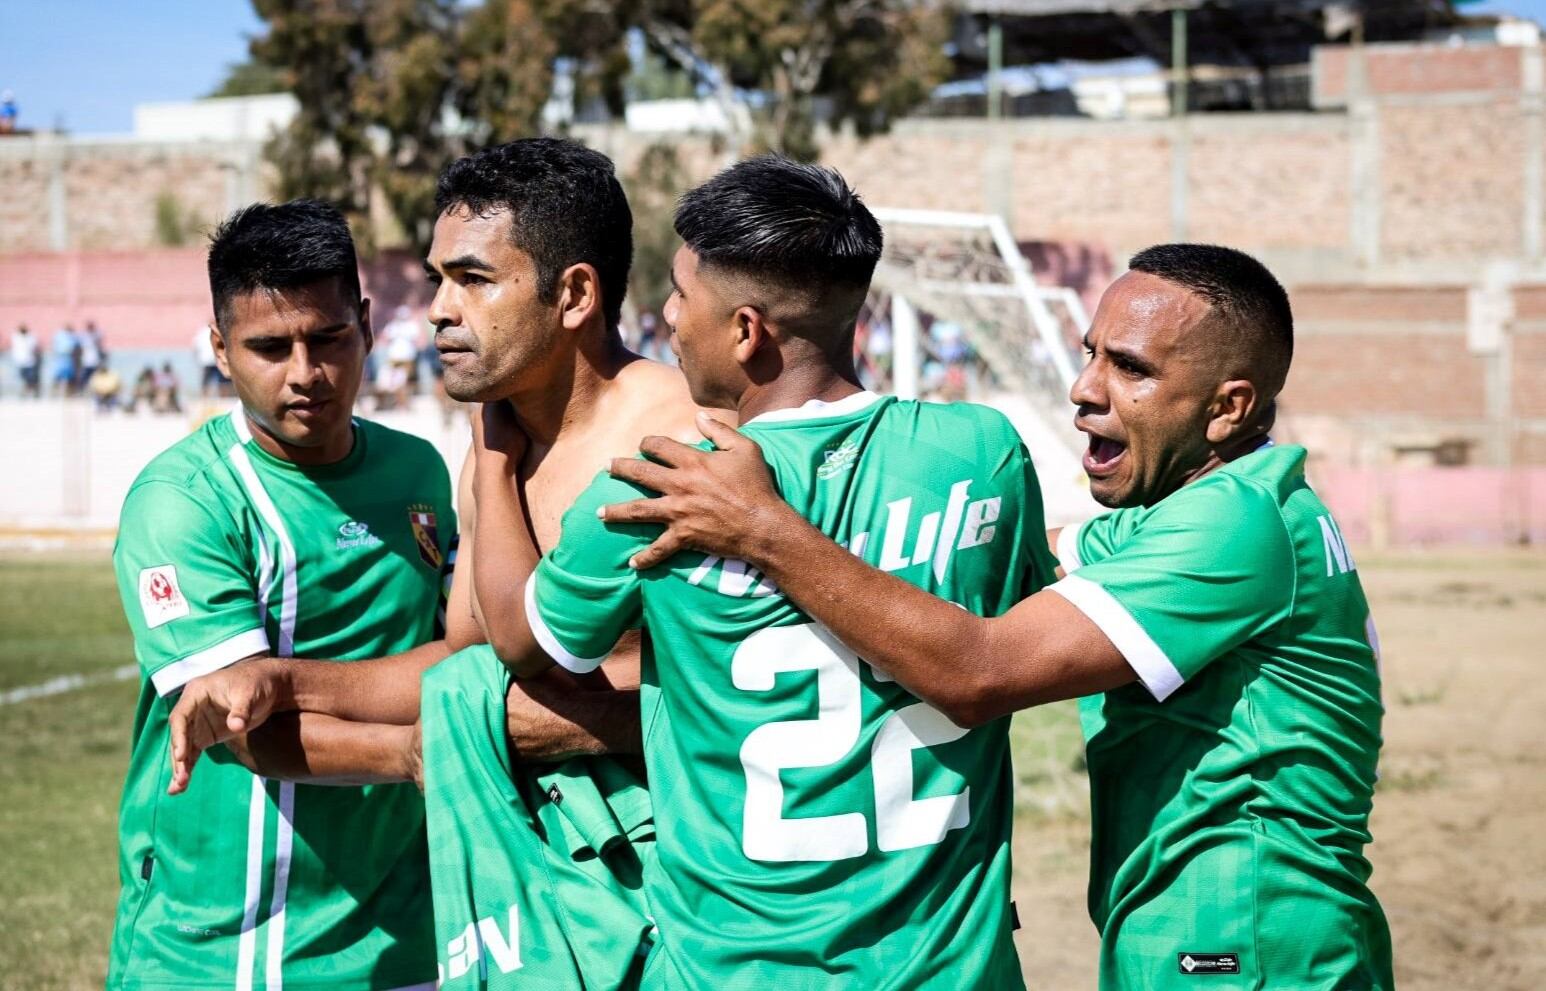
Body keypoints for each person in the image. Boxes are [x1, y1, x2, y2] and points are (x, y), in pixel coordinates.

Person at [602, 244, 1393, 990]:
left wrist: (765, 529)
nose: (1085, 388)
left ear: (1229, 406)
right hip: (1217, 932)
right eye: (1091, 352)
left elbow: (979, 673)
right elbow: (1024, 559)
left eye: (1131, 368)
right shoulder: (1206, 511)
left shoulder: (1230, 528)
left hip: (1246, 943)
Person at [472, 156, 1056, 987]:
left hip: (736, 969)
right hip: (954, 969)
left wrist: (491, 465)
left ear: (746, 331)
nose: (667, 316)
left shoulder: (659, 485)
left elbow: (524, 641)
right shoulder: (982, 452)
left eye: (681, 294)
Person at [163, 139, 703, 989]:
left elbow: (707, 699)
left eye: (474, 280)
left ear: (573, 294)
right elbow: (465, 663)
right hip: (528, 881)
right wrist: (279, 680)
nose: (439, 310)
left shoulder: (677, 445)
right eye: (438, 278)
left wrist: (438, 748)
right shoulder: (488, 446)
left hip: (672, 889)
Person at [107, 199, 455, 991]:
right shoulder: (183, 499)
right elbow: (245, 730)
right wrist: (416, 751)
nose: (305, 371)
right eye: (269, 346)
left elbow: (458, 651)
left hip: (403, 935)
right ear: (221, 350)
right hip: (223, 945)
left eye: (328, 336)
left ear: (365, 325)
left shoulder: (420, 472)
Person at [193, 320, 227, 397]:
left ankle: (204, 397)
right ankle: (223, 397)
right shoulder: (218, 332)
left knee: (206, 381)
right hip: (215, 360)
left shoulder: (201, 333)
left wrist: (198, 359)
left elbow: (195, 348)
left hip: (206, 361)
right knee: (222, 380)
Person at [10, 324, 40, 397]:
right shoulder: (15, 337)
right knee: (22, 378)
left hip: (30, 362)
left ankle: (31, 392)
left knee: (31, 378)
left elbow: (34, 348)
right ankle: (25, 391)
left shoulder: (31, 337)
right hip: (20, 361)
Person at [49, 322, 78, 396]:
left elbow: (74, 348)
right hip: (60, 359)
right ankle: (55, 393)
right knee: (57, 377)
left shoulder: (72, 336)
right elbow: (54, 346)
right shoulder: (59, 335)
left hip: (68, 359)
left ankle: (66, 393)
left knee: (67, 378)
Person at [79, 319, 105, 388]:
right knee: (84, 375)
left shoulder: (96, 335)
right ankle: (83, 388)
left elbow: (99, 344)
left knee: (95, 376)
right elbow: (81, 347)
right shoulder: (84, 335)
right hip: (86, 359)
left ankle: (95, 389)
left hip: (95, 359)